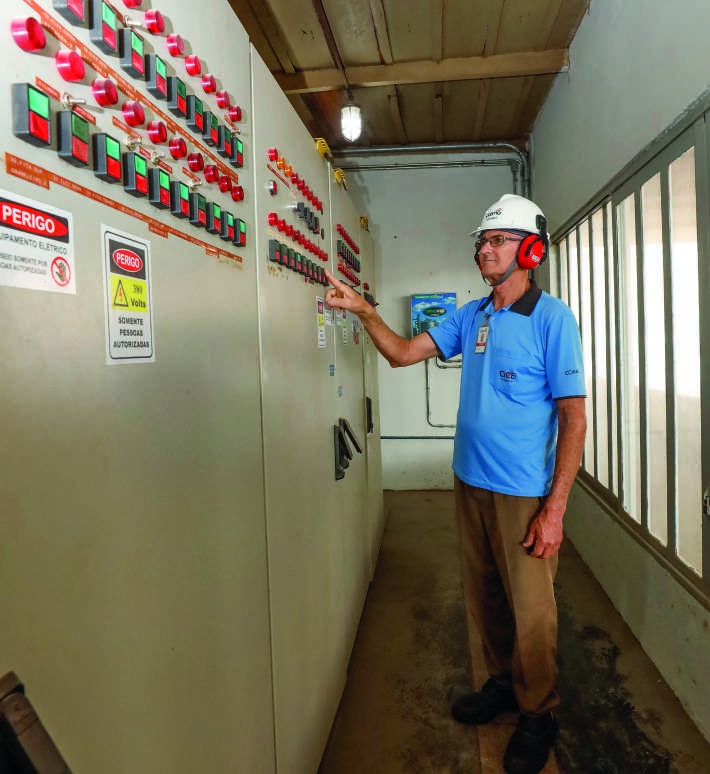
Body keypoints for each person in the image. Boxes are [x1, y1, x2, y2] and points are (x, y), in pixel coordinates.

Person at [324, 193, 586, 774]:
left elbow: (573, 417)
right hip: (469, 482)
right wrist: (366, 312)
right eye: (481, 241)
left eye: (495, 241)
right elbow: (400, 354)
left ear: (531, 249)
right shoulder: (473, 316)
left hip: (524, 493)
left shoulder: (552, 319)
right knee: (485, 593)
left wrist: (556, 508)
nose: (483, 250)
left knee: (533, 610)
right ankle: (500, 685)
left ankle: (538, 713)